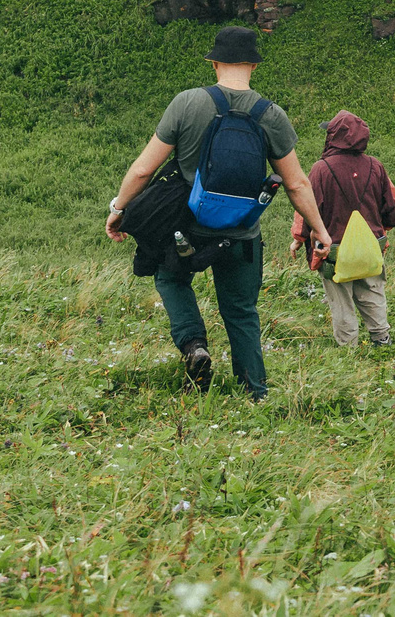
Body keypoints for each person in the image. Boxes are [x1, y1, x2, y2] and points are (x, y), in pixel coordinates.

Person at [106, 25, 332, 400]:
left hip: (186, 228)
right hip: (241, 233)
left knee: (170, 278)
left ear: (214, 64)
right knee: (241, 311)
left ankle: (194, 345)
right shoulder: (271, 114)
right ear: (253, 66)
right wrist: (319, 229)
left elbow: (144, 170)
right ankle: (255, 393)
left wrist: (119, 208)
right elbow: (296, 184)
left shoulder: (187, 103)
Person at [291, 109, 395, 347]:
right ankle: (382, 339)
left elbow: (307, 208)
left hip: (333, 250)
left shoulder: (321, 169)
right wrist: (382, 229)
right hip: (370, 247)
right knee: (372, 292)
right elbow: (391, 206)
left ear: (334, 137)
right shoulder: (375, 166)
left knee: (341, 300)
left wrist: (299, 238)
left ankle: (348, 348)